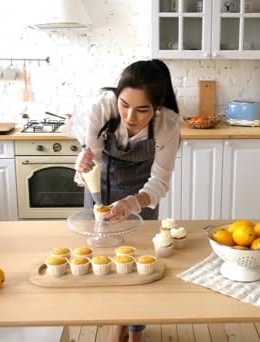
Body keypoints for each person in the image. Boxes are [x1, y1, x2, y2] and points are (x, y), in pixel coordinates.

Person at [74, 59, 181, 342]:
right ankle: (116, 320)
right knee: (104, 256)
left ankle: (133, 328)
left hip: (141, 193)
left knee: (138, 260)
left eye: (142, 109)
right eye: (124, 105)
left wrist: (132, 204)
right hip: (102, 186)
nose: (130, 116)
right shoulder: (101, 107)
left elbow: (159, 182)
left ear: (157, 107)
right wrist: (83, 162)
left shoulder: (168, 124)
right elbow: (92, 158)